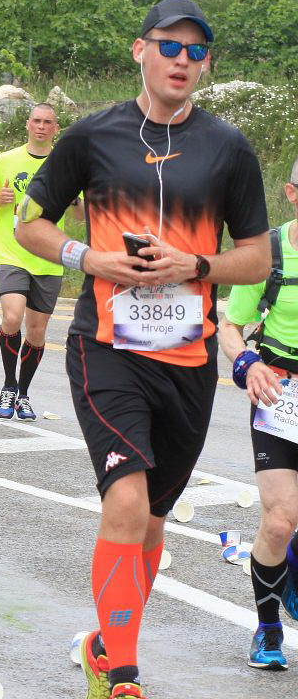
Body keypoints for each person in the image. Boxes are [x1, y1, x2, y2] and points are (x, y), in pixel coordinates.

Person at [15, 0, 270, 699]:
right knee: (124, 507)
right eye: (170, 46)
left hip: (188, 364)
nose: (182, 61)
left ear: (207, 63)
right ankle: (121, 671)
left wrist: (197, 266)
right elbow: (29, 223)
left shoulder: (229, 148)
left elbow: (255, 258)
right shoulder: (92, 135)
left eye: (196, 51)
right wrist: (84, 258)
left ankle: (109, 636)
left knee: (152, 523)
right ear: (140, 51)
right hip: (108, 351)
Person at [217, 158, 298, 670]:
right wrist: (248, 364)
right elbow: (231, 325)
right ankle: (268, 628)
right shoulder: (268, 251)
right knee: (279, 520)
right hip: (280, 393)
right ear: (292, 193)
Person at [0, 103, 74, 420]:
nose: (42, 127)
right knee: (12, 317)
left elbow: (83, 212)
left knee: (37, 332)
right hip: (11, 251)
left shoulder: (66, 163)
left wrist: (74, 198)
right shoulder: (6, 160)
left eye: (48, 122)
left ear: (55, 128)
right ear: (28, 125)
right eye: (37, 121)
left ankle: (23, 393)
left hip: (48, 256)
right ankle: (8, 385)